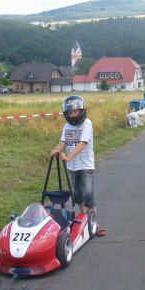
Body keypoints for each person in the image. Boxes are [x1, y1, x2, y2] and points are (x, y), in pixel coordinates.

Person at [50, 95, 106, 236]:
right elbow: (63, 141)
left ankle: (95, 223)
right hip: (73, 167)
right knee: (77, 194)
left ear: (81, 111)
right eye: (70, 112)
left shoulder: (87, 123)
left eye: (75, 112)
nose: (72, 115)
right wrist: (57, 150)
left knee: (88, 193)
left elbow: (83, 143)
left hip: (86, 165)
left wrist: (68, 157)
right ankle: (83, 219)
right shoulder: (67, 126)